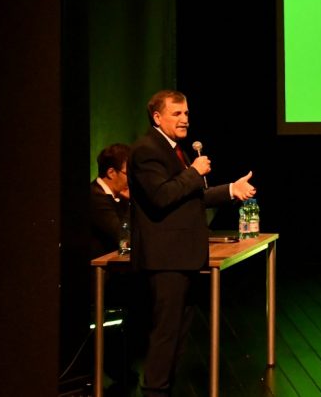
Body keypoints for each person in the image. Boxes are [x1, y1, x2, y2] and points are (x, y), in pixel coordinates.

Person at [129, 90, 256, 396]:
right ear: (157, 117)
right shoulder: (148, 150)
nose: (184, 119)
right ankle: (155, 391)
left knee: (180, 334)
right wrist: (194, 172)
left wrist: (229, 190)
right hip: (165, 259)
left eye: (186, 113)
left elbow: (189, 196)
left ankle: (165, 388)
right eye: (176, 114)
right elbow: (161, 197)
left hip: (184, 256)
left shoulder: (176, 150)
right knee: (165, 333)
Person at [91, 143, 131, 258]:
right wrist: (132, 202)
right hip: (99, 271)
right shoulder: (96, 197)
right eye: (128, 174)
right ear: (111, 173)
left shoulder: (118, 196)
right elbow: (123, 239)